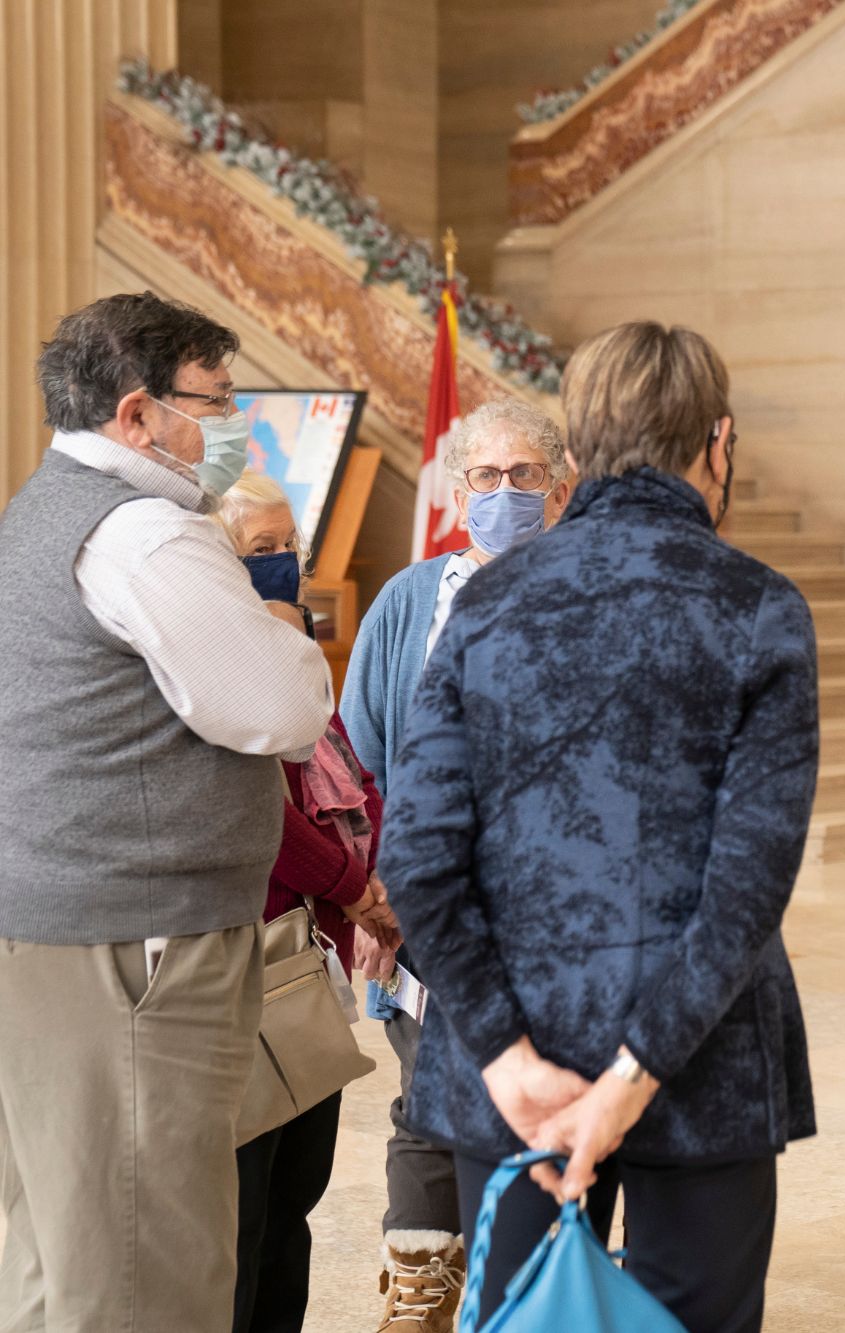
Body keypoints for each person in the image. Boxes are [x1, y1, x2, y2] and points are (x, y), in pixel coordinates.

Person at [378, 321, 818, 1332]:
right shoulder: (758, 607)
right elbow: (747, 883)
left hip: (515, 1063)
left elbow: (417, 858)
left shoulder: (484, 603)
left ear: (573, 459)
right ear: (717, 442)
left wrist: (506, 1058)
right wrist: (633, 1074)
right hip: (698, 1063)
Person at [0, 292, 332, 1331]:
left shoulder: (40, 504)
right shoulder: (148, 532)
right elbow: (284, 709)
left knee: (63, 1251)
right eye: (220, 401)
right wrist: (283, 618)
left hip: (60, 930)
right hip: (138, 952)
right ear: (140, 414)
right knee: (151, 1264)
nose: (233, 426)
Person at [338, 396, 571, 1331]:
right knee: (430, 1092)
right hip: (428, 905)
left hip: (552, 909)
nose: (504, 493)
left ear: (560, 490)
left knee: (539, 1106)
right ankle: (423, 1284)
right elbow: (356, 755)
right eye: (486, 476)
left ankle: (531, 1289)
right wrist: (374, 887)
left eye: (523, 477)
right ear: (458, 486)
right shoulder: (408, 600)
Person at [211, 473, 401, 1333]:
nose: (284, 564)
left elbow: (350, 771)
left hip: (308, 968)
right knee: (240, 1210)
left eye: (290, 545)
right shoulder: (209, 663)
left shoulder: (292, 649)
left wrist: (385, 870)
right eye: (261, 549)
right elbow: (265, 814)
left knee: (296, 1196)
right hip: (244, 958)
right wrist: (357, 887)